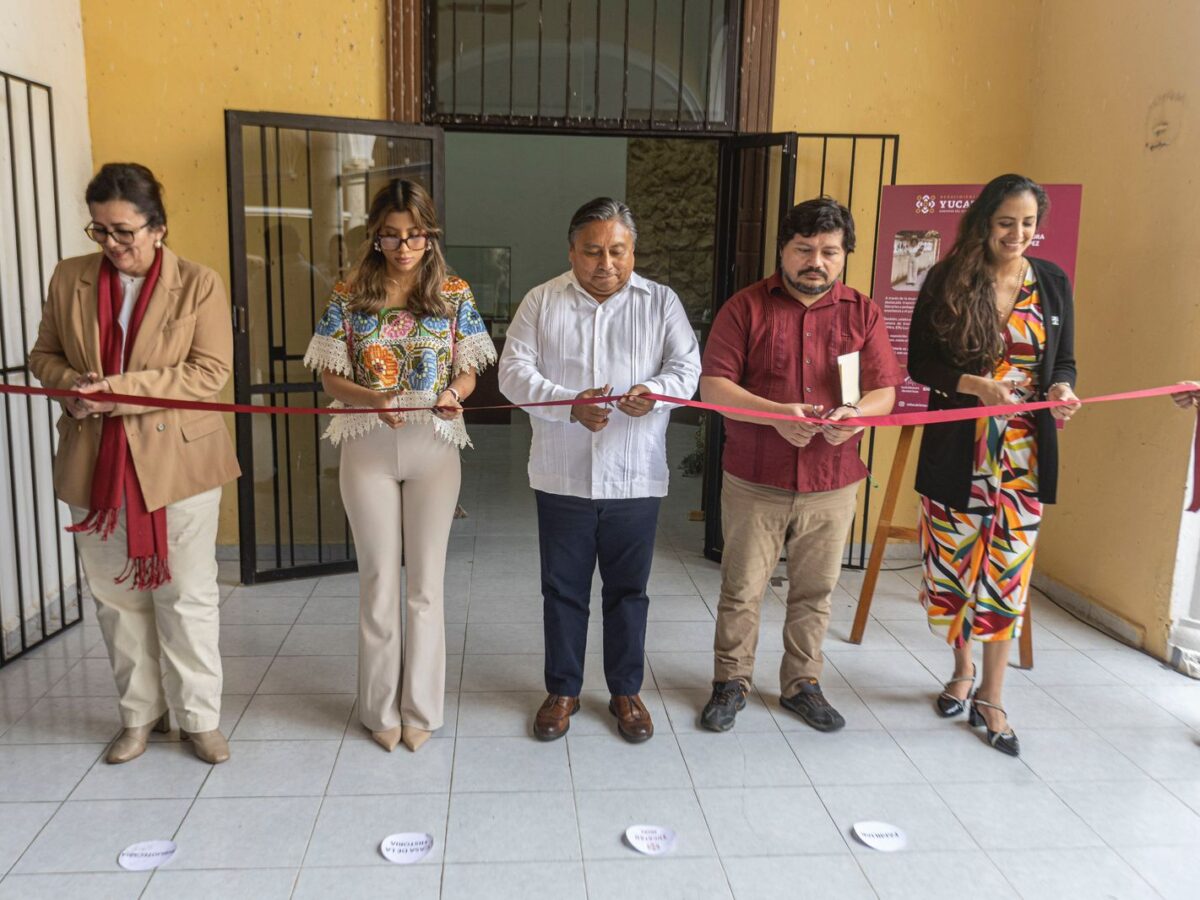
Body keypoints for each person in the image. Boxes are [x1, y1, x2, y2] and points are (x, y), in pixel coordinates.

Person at [28, 162, 241, 765]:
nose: (111, 244)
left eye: (123, 231)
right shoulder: (69, 277)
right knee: (116, 598)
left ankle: (199, 718)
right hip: (93, 460)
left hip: (179, 462)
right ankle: (140, 716)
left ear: (158, 228)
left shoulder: (199, 283)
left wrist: (116, 390)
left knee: (186, 595)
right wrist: (71, 386)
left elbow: (208, 372)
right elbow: (42, 355)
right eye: (99, 230)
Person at [498, 198, 700, 743]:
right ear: (572, 252)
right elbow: (513, 373)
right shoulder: (542, 301)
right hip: (563, 474)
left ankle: (625, 689)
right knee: (563, 590)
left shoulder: (661, 303)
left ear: (633, 252)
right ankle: (563, 688)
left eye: (617, 250)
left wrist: (654, 393)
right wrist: (568, 403)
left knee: (628, 589)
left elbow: (687, 368)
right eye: (593, 251)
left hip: (635, 475)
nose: (605, 263)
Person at [304, 179, 495, 753]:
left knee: (426, 586)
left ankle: (422, 708)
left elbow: (469, 368)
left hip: (434, 445)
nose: (404, 247)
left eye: (415, 235)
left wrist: (456, 393)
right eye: (391, 236)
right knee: (379, 580)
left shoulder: (453, 292)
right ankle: (379, 707)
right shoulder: (350, 293)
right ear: (376, 236)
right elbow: (329, 376)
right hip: (367, 443)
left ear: (430, 234)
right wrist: (370, 399)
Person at [699, 197, 903, 733]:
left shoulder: (864, 312)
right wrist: (772, 417)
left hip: (832, 480)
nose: (816, 260)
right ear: (783, 252)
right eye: (804, 249)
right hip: (755, 476)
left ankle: (802, 684)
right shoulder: (744, 308)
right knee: (742, 588)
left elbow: (885, 390)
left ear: (844, 255)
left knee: (815, 591)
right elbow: (713, 386)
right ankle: (730, 681)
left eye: (830, 251)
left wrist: (857, 416)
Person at [907, 174, 1081, 757]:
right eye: (1007, 221)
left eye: (1028, 223)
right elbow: (920, 364)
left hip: (1023, 459)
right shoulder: (948, 277)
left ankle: (993, 694)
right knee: (952, 571)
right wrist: (974, 385)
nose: (1018, 233)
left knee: (1008, 575)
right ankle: (960, 669)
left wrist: (1061, 388)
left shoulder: (1052, 282)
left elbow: (1067, 361)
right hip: (959, 448)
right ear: (984, 220)